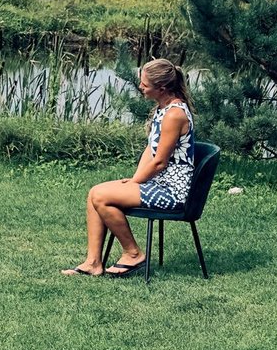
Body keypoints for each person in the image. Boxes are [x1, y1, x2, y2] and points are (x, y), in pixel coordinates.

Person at [65, 59, 195, 278]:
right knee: (94, 193)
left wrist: (136, 183)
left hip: (172, 191)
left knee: (101, 196)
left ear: (161, 88)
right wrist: (137, 178)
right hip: (157, 183)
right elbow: (150, 150)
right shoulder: (163, 108)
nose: (140, 87)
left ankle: (133, 253)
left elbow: (159, 162)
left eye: (144, 84)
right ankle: (93, 262)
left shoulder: (175, 114)